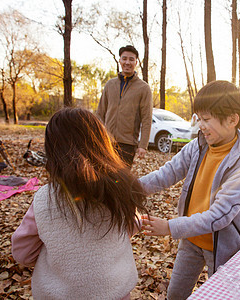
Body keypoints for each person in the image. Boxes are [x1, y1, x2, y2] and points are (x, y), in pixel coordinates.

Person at [11, 108, 147, 300]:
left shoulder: (44, 198)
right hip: (115, 292)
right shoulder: (121, 189)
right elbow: (133, 225)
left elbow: (22, 253)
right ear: (103, 145)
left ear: (54, 152)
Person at [140, 80, 240, 299]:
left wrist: (169, 227)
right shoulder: (197, 146)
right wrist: (131, 188)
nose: (200, 125)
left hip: (223, 246)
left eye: (206, 119)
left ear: (232, 120)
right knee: (175, 294)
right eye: (198, 118)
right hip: (191, 238)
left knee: (222, 296)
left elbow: (219, 215)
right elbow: (167, 173)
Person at [96, 45, 153, 167]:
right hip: (107, 142)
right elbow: (100, 113)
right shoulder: (110, 85)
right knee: (103, 177)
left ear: (136, 62)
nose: (128, 62)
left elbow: (146, 119)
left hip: (127, 144)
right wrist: (99, 136)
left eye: (131, 59)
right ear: (120, 61)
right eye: (124, 58)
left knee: (120, 180)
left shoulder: (143, 88)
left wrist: (143, 145)